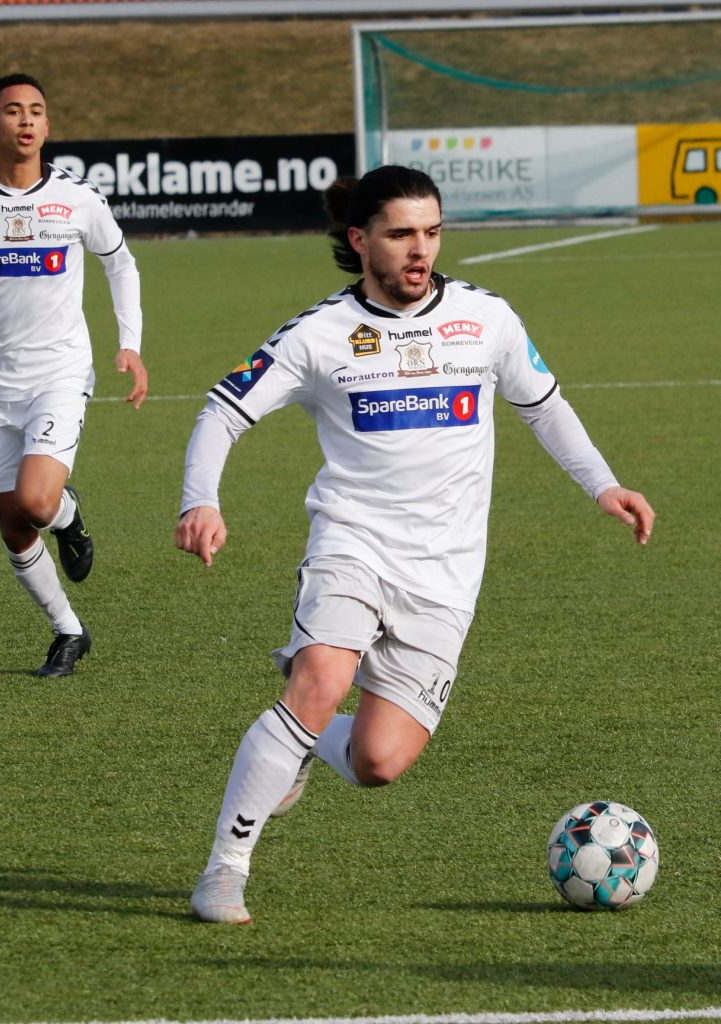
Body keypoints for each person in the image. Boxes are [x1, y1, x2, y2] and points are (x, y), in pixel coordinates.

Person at [175, 165, 654, 924]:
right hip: (352, 542)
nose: (419, 249)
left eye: (431, 232)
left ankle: (301, 745)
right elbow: (222, 411)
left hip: (445, 574)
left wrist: (603, 484)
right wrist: (199, 500)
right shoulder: (318, 334)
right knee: (320, 679)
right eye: (401, 234)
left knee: (376, 762)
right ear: (360, 239)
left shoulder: (485, 318)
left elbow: (543, 404)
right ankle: (224, 868)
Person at [0, 73, 147, 677]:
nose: (26, 121)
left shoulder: (79, 198)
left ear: (47, 126)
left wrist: (129, 346)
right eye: (12, 111)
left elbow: (121, 266)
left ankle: (68, 515)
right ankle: (69, 632)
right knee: (12, 521)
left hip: (58, 372)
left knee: (36, 500)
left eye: (37, 111)